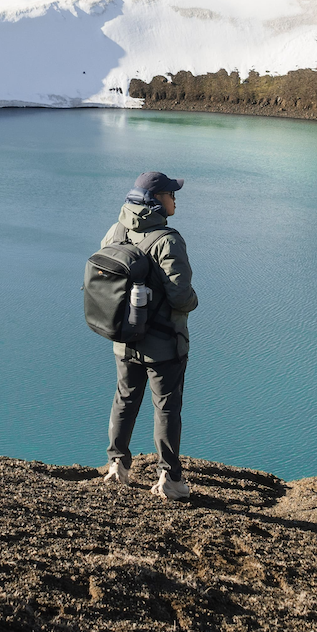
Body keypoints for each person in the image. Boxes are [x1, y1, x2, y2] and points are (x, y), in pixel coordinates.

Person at [100, 170, 198, 499]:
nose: (175, 198)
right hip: (164, 345)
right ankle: (169, 480)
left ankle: (117, 465)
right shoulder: (168, 240)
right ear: (156, 202)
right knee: (167, 408)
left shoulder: (116, 231)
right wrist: (193, 302)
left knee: (125, 400)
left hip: (124, 338)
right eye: (171, 193)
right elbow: (181, 296)